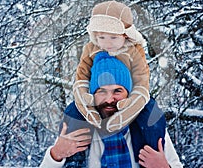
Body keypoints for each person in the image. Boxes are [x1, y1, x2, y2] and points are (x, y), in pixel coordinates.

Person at [40, 52, 183, 168]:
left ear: (129, 94)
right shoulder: (76, 130)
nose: (109, 99)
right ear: (92, 96)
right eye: (102, 91)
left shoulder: (149, 126)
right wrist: (56, 154)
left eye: (117, 91)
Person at [74, 0, 150, 132]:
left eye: (113, 37)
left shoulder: (134, 50)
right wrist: (83, 95)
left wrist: (134, 99)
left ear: (125, 35)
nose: (107, 43)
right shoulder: (91, 49)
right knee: (72, 111)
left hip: (125, 93)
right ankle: (91, 117)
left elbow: (141, 76)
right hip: (99, 92)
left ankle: (149, 143)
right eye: (102, 38)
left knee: (148, 114)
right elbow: (82, 73)